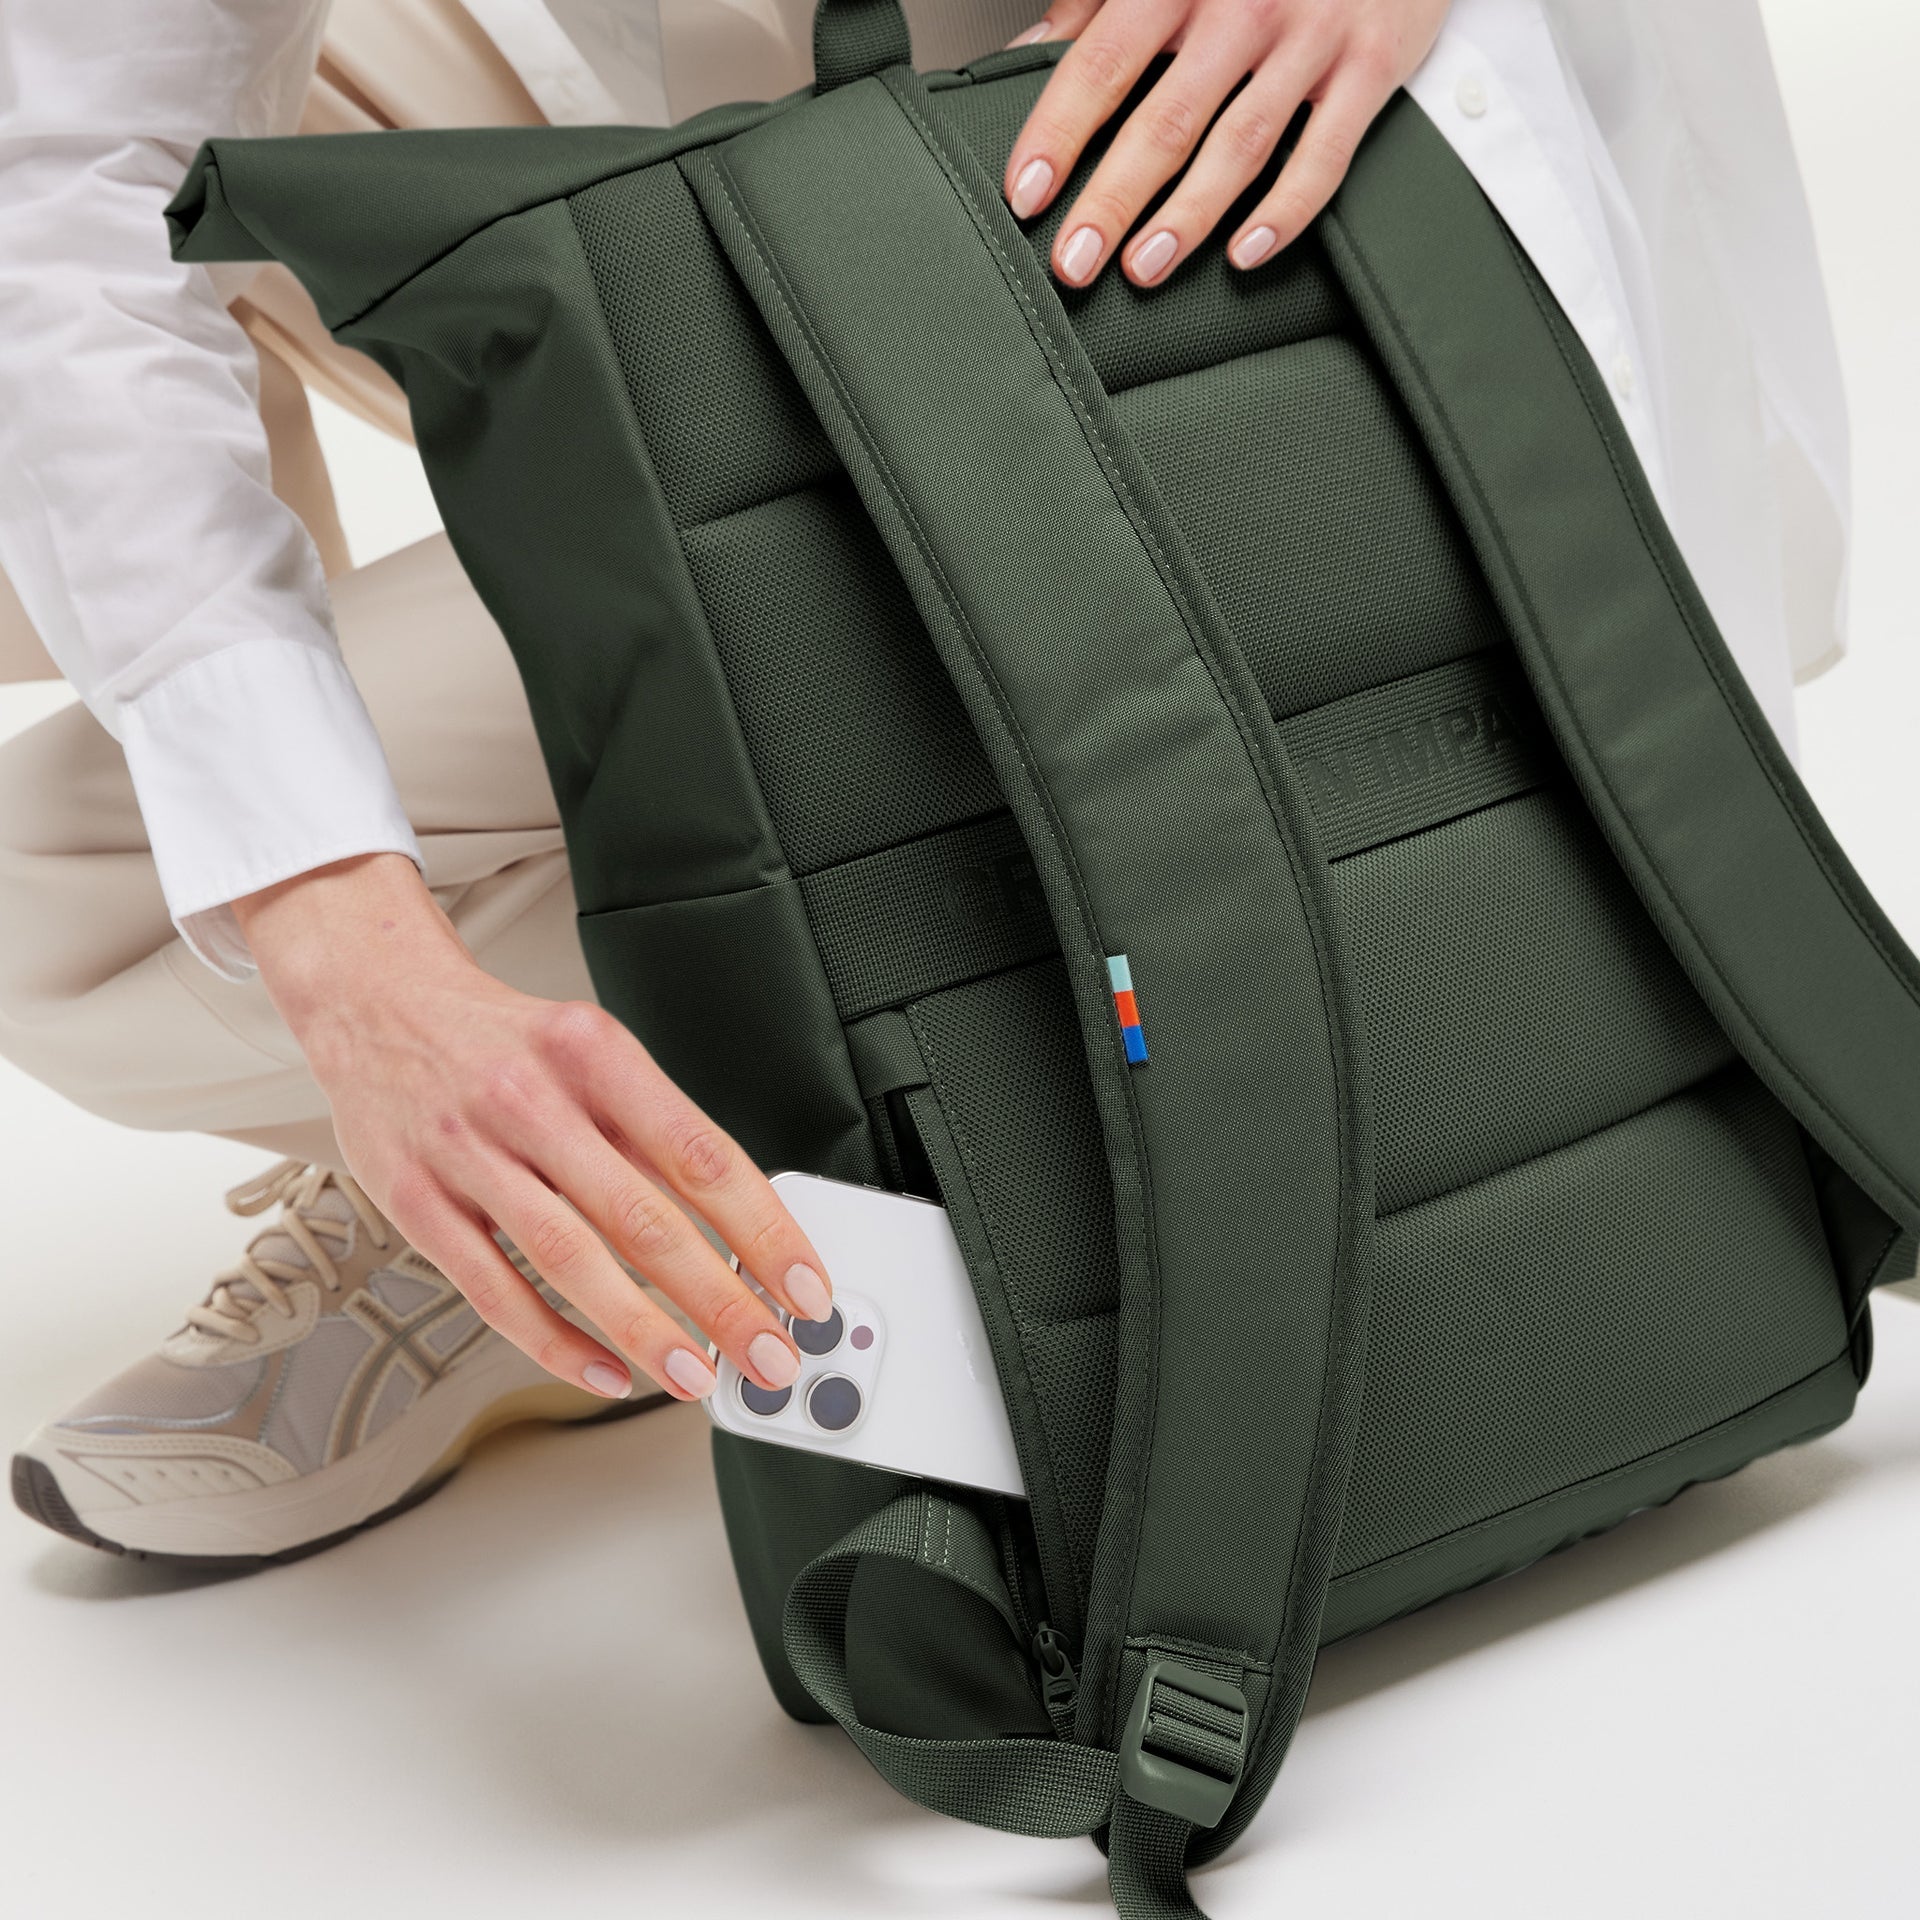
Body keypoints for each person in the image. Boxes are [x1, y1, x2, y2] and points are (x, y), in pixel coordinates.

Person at [0, 0, 1853, 1563]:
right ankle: (540, 1168)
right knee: (98, 882)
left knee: (74, 898)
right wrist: (370, 977)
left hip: (1198, 186)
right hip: (770, 144)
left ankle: (819, 1110)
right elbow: (72, 184)